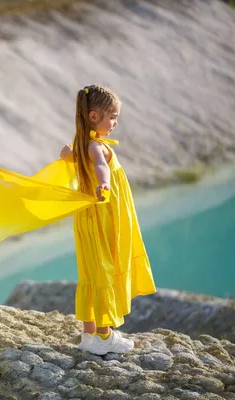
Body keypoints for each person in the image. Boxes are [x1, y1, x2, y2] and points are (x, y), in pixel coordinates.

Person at [60, 84, 156, 355]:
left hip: (87, 219)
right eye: (112, 117)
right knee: (103, 269)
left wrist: (66, 153)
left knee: (91, 272)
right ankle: (104, 336)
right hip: (103, 219)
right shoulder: (95, 147)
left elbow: (65, 155)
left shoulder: (80, 145)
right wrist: (104, 184)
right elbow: (101, 167)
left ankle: (89, 335)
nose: (114, 123)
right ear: (93, 117)